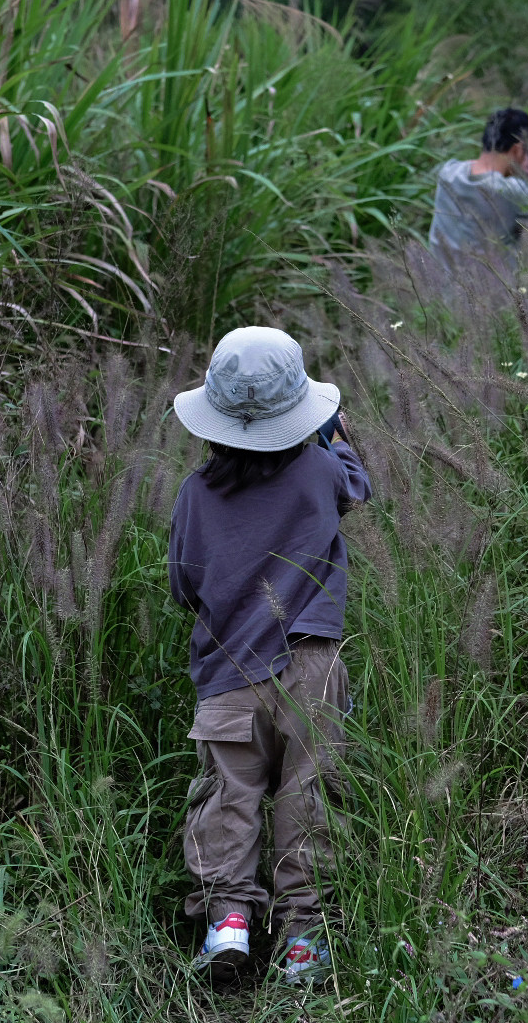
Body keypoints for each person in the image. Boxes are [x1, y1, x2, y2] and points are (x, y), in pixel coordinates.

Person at [168, 326, 371, 986]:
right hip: (311, 666)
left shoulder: (195, 494)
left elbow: (183, 586)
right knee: (306, 797)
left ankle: (227, 924)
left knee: (228, 797)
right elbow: (356, 485)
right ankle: (303, 941)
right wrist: (336, 434)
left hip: (227, 674)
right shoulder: (319, 469)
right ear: (300, 416)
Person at [428, 106, 528, 272]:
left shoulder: (448, 172)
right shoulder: (510, 191)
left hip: (440, 292)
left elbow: (480, 171)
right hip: (491, 295)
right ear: (518, 148)